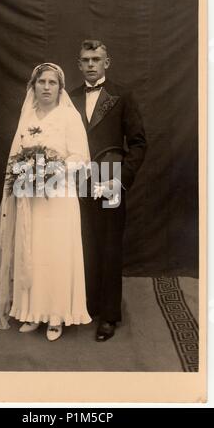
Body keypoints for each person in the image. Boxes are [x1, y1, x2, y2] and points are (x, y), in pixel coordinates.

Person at [0, 63, 91, 341]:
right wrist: (24, 176)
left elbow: (80, 158)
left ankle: (56, 316)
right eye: (41, 82)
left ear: (60, 88)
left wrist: (51, 170)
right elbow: (15, 157)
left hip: (59, 198)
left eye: (52, 83)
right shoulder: (28, 116)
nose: (46, 87)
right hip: (31, 198)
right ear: (33, 86)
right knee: (33, 253)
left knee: (57, 255)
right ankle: (31, 312)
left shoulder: (69, 118)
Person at [70, 40, 147, 342]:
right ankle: (85, 305)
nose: (91, 64)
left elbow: (139, 143)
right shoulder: (70, 98)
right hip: (77, 180)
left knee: (110, 246)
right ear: (78, 64)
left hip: (110, 176)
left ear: (107, 63)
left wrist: (121, 178)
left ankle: (109, 316)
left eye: (96, 59)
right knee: (82, 243)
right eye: (86, 59)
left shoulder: (122, 96)